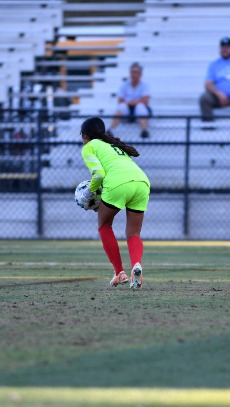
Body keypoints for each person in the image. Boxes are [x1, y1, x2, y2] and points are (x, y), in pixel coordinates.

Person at [78, 117, 150, 289]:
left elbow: (99, 174)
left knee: (104, 226)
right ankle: (136, 265)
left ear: (85, 135)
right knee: (133, 233)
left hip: (118, 184)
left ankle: (120, 273)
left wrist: (88, 193)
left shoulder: (89, 146)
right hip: (142, 182)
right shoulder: (113, 144)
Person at [107, 62, 151, 139]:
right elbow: (120, 101)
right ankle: (110, 130)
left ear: (140, 74)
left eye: (136, 72)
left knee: (140, 107)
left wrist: (131, 102)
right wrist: (135, 102)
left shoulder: (145, 86)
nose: (134, 74)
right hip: (127, 111)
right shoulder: (124, 85)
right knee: (122, 107)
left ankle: (144, 130)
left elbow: (145, 101)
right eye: (132, 72)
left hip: (138, 111)